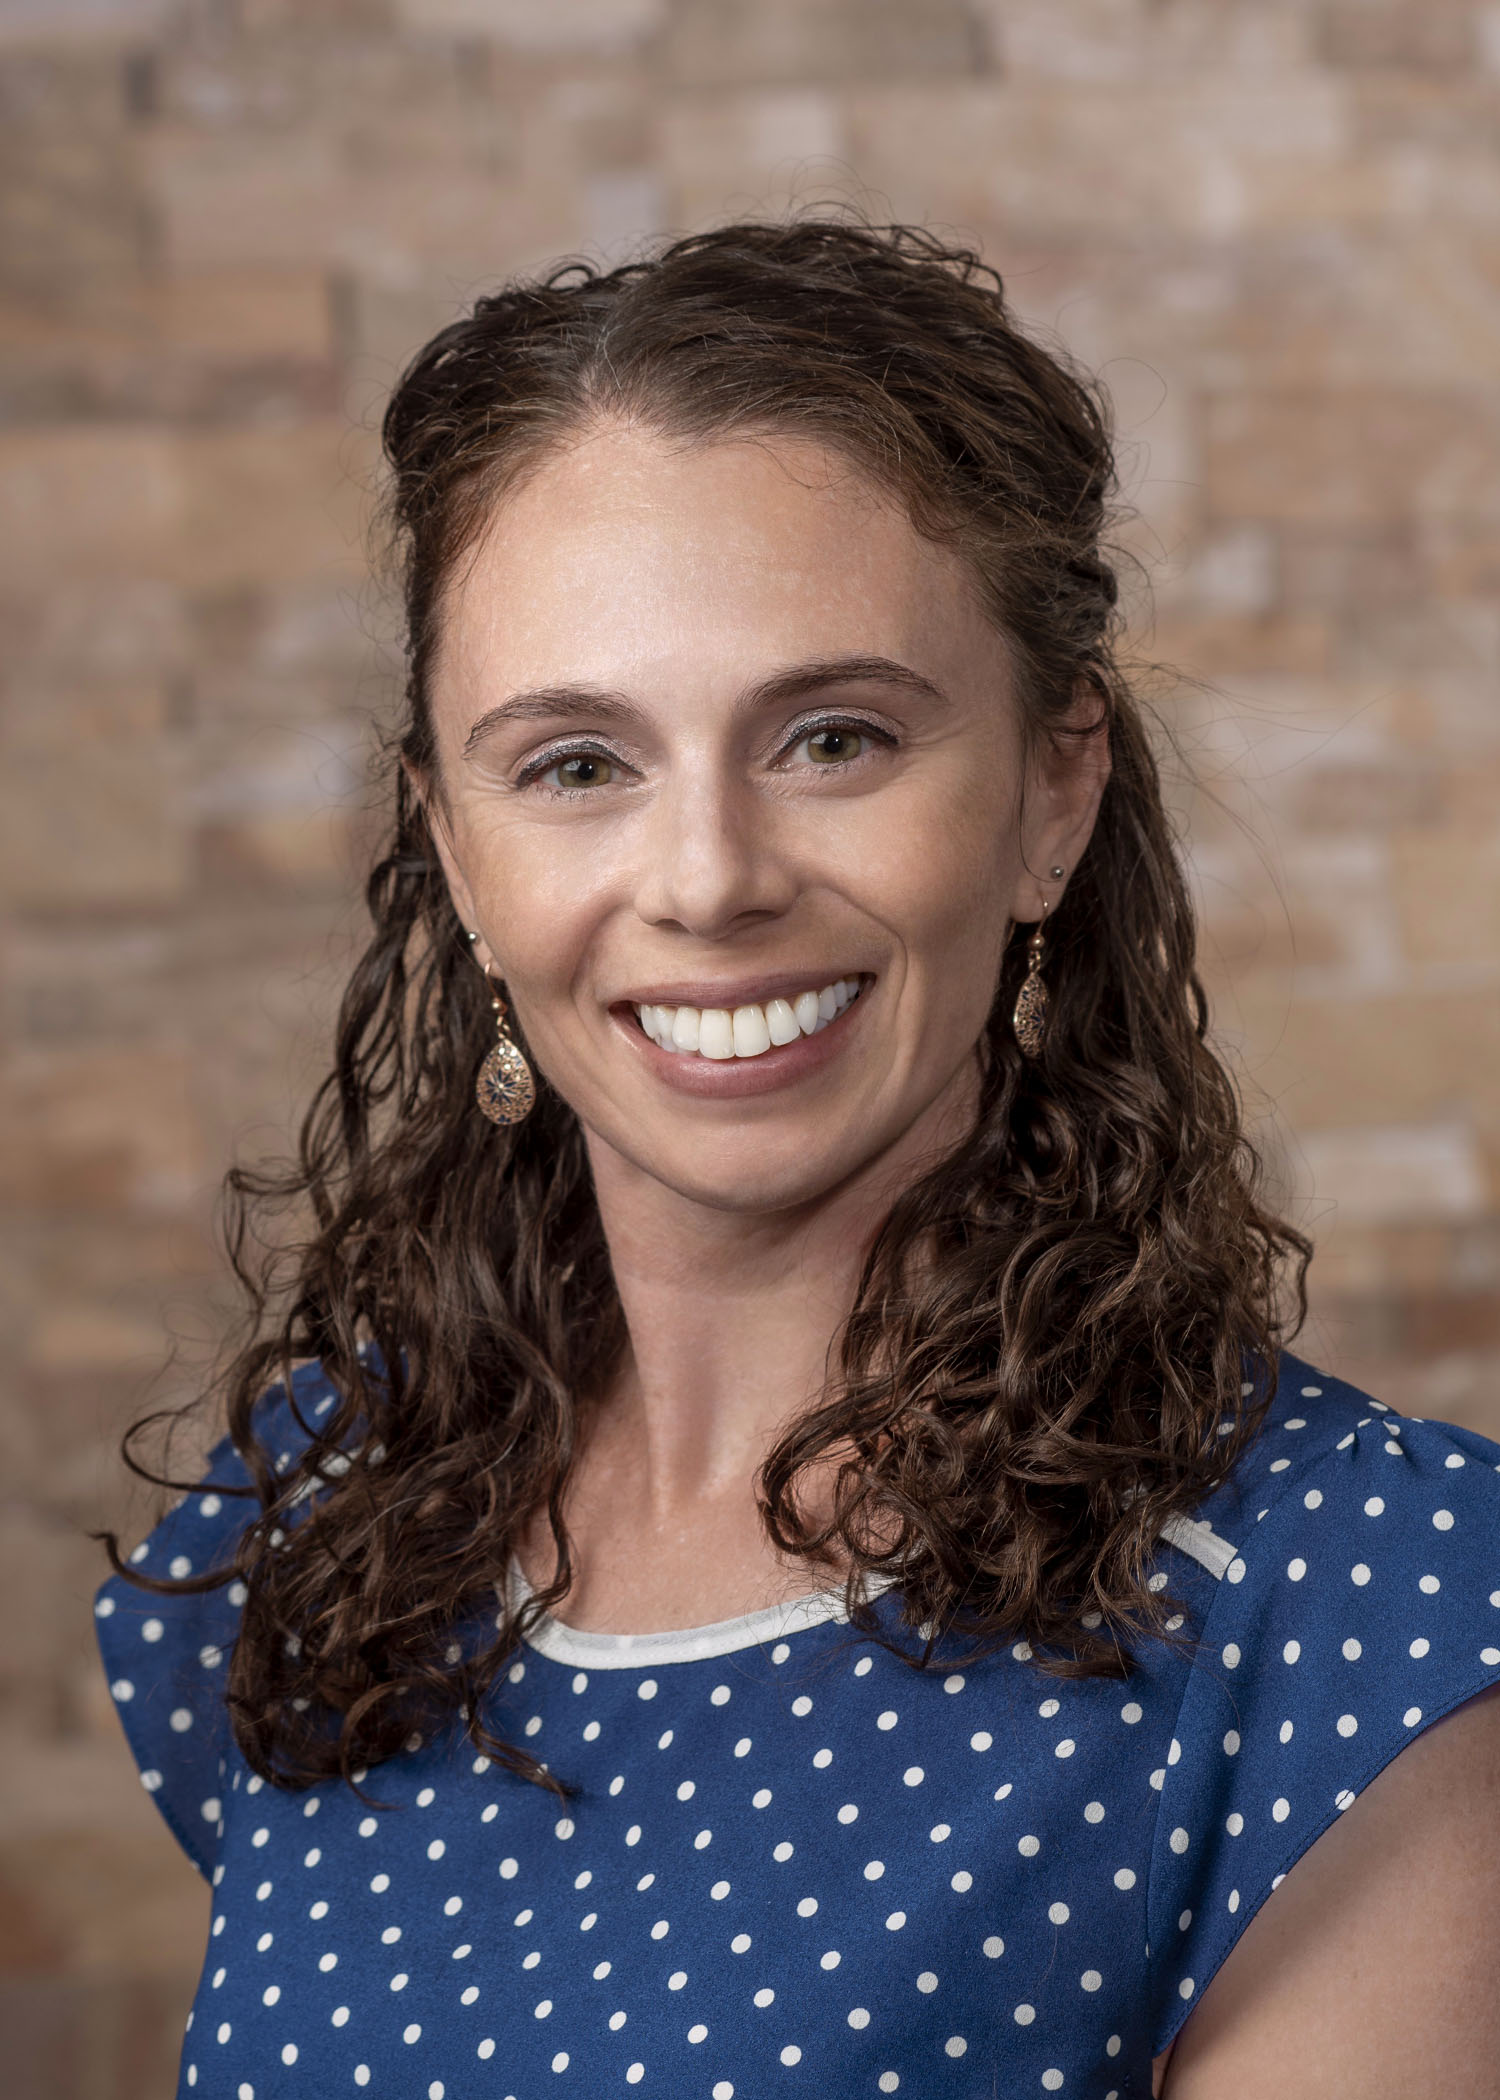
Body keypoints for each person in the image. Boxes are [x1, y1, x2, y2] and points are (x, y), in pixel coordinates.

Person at [96, 219, 1500, 2100]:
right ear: (447, 845)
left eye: (833, 738)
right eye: (578, 765)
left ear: (1052, 790)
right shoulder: (326, 1515)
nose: (707, 880)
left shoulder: (1360, 1607)